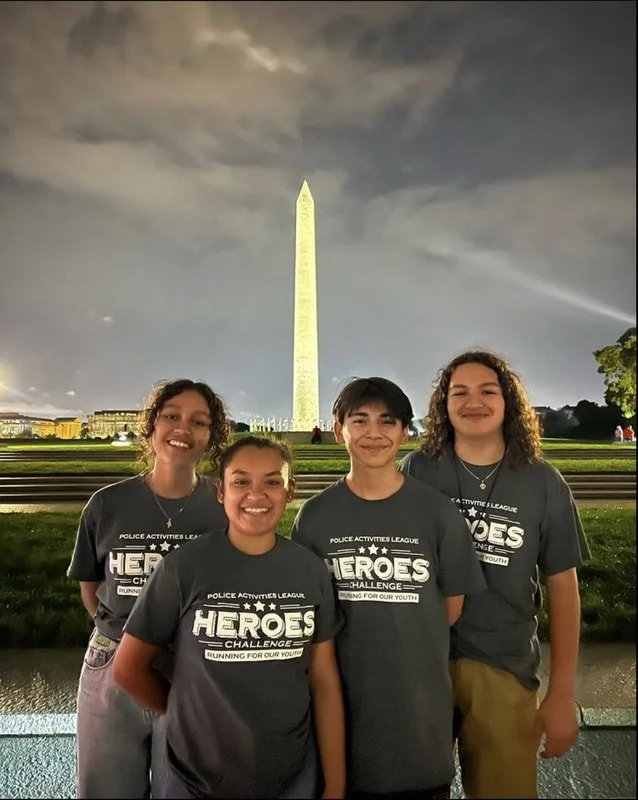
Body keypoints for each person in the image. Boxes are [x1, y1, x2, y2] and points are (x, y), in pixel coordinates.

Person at [399, 350, 590, 800]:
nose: (473, 402)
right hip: (422, 662)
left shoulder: (543, 482)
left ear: (509, 402)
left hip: (503, 663)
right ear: (443, 405)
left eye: (488, 391)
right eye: (459, 392)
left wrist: (561, 695)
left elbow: (563, 589)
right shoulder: (418, 470)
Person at [112, 436, 346, 800]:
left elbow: (325, 681)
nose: (257, 495)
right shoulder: (184, 567)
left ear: (290, 491)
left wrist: (335, 785)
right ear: (221, 491)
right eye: (241, 482)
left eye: (272, 481)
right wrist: (181, 713)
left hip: (292, 774)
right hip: (194, 778)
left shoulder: (309, 570)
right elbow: (127, 668)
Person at [291, 377, 485, 799]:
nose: (374, 433)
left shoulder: (437, 513)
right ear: (339, 428)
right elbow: (309, 614)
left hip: (418, 715)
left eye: (387, 421)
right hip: (341, 710)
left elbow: (449, 608)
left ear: (403, 431)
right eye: (359, 420)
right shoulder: (315, 516)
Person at [67, 379, 230, 799]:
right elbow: (92, 589)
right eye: (171, 417)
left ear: (211, 437)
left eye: (199, 422)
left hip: (194, 668)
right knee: (106, 788)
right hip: (114, 660)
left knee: (184, 790)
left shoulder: (224, 506)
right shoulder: (107, 504)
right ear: (152, 426)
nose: (183, 429)